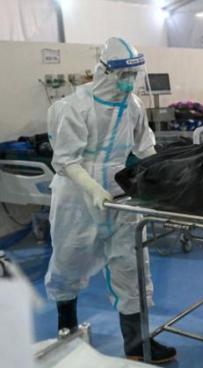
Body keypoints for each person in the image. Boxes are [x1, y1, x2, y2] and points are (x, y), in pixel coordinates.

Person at [44, 37, 176, 364]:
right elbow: (66, 161)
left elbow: (145, 148)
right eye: (123, 74)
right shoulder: (75, 106)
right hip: (77, 196)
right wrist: (92, 188)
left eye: (133, 74)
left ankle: (137, 343)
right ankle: (67, 330)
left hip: (120, 194)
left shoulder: (132, 105)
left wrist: (165, 177)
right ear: (104, 71)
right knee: (68, 259)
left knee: (132, 266)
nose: (129, 81)